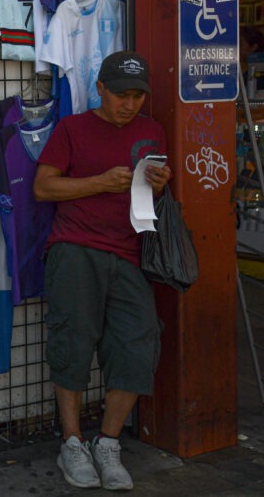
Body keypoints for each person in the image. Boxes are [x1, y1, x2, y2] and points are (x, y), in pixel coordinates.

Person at [33, 50, 172, 491]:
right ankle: (72, 442)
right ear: (100, 89)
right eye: (120, 95)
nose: (129, 105)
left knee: (137, 343)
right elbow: (43, 186)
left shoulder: (153, 131)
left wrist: (161, 183)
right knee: (72, 342)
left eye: (136, 96)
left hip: (132, 253)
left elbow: (155, 193)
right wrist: (100, 183)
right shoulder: (73, 128)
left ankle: (108, 443)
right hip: (75, 249)